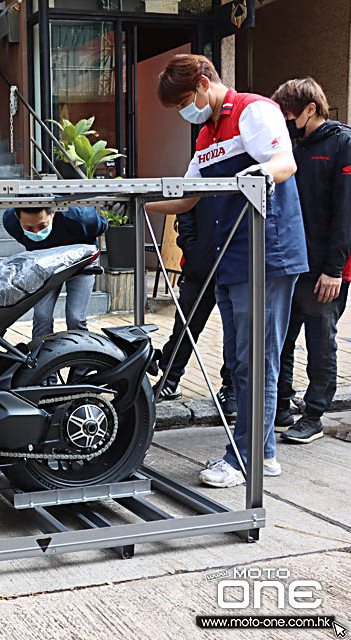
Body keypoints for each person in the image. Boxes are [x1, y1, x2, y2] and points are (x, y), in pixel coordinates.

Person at [145, 54, 308, 488]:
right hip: (232, 258)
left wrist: (260, 174)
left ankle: (243, 458)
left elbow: (284, 163)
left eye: (184, 100)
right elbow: (186, 196)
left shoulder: (254, 110)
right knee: (240, 360)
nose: (185, 110)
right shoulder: (206, 134)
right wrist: (133, 201)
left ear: (202, 83)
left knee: (258, 358)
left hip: (267, 253)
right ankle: (264, 452)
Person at [270, 78, 351, 444]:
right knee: (283, 338)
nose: (287, 118)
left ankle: (315, 415)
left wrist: (334, 270)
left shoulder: (343, 143)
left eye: (290, 111)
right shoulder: (296, 147)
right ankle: (281, 408)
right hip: (293, 263)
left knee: (321, 341)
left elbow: (346, 212)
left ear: (311, 109)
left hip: (326, 269)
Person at [154, 205, 236, 416]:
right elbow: (185, 208)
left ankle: (231, 387)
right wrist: (192, 249)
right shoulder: (198, 171)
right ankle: (170, 379)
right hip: (201, 264)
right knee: (186, 326)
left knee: (235, 331)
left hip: (235, 263)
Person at [2, 203, 107, 340]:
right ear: (17, 217)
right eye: (28, 228)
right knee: (42, 315)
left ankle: (82, 354)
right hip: (45, 262)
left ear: (53, 213)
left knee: (75, 317)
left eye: (42, 226)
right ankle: (40, 356)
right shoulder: (10, 221)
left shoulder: (81, 218)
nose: (36, 232)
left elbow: (103, 226)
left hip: (80, 260)